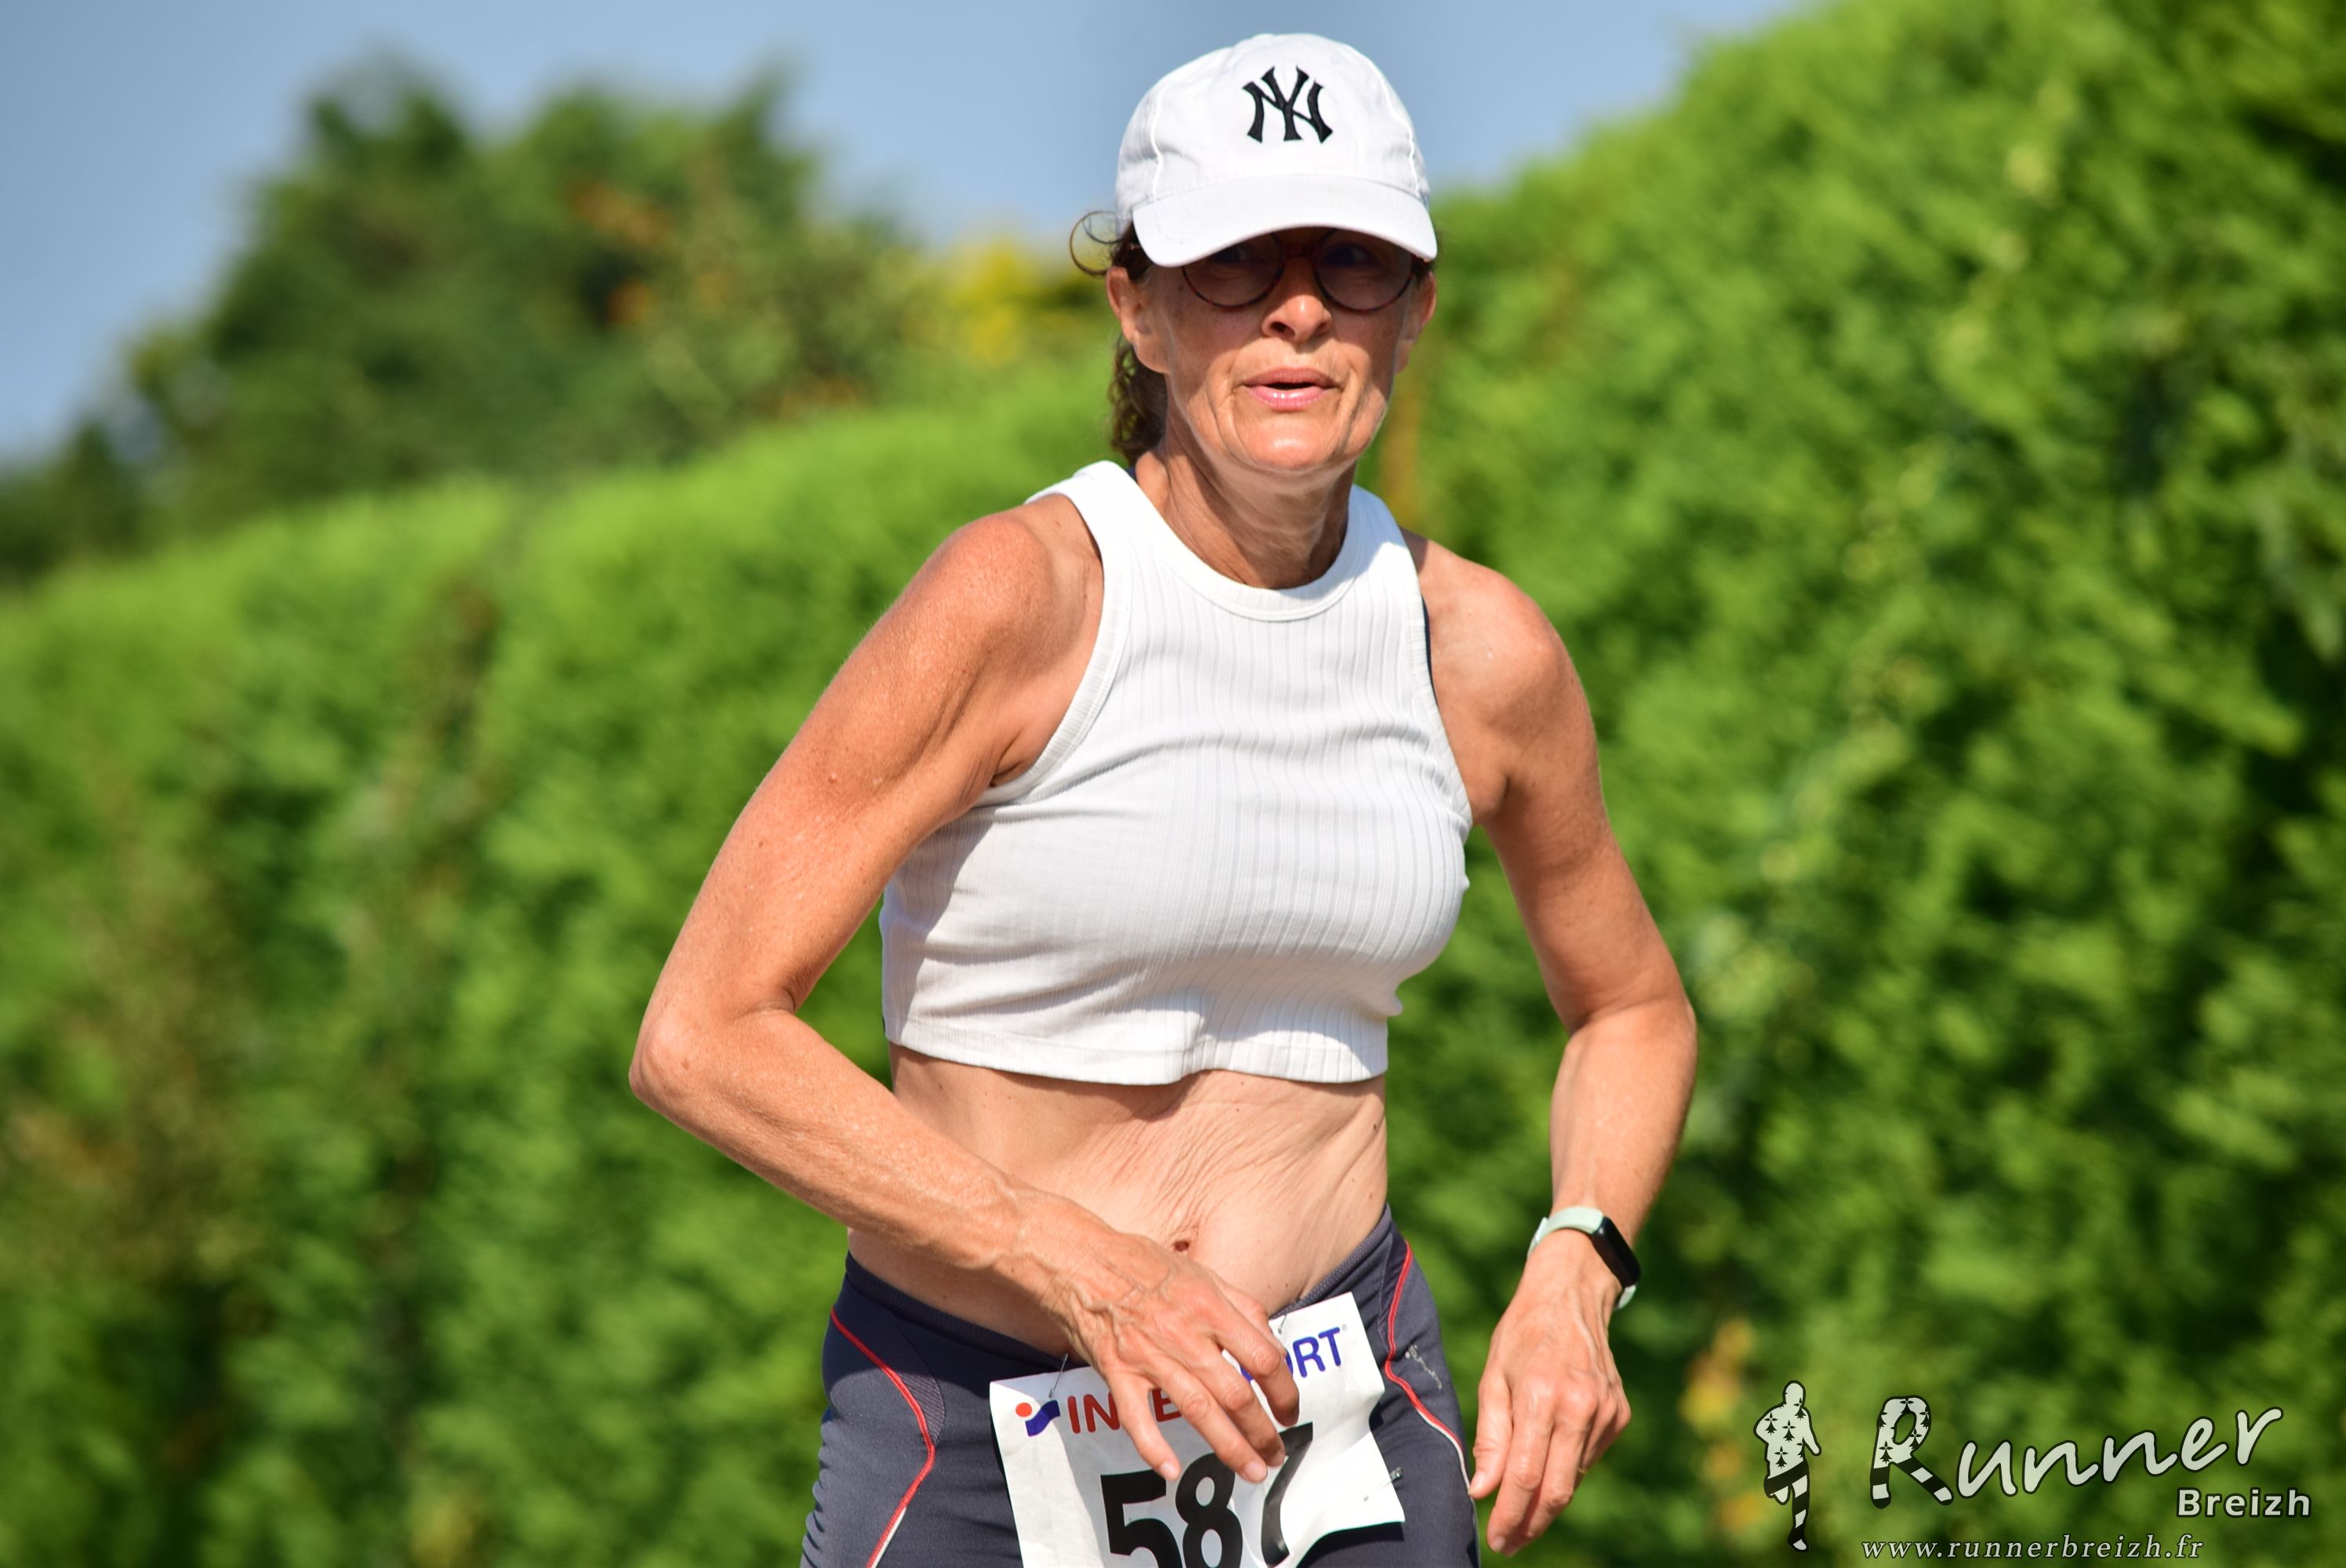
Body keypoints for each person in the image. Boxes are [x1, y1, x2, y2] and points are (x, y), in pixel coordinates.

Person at [630, 31, 1698, 1566]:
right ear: (1135, 307)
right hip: (980, 1425)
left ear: (1416, 308)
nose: (1296, 308)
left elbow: (1631, 1009)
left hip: (1341, 1407)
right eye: (1233, 262)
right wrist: (1069, 1261)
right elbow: (703, 1033)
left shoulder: (1474, 649)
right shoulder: (1019, 597)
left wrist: (1576, 1267)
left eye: (1351, 261)